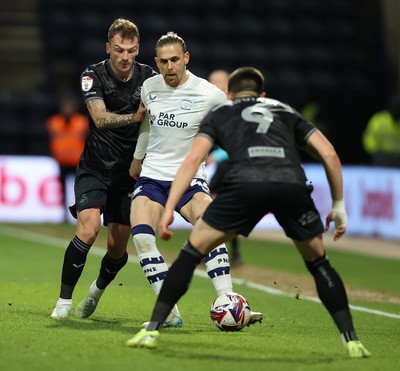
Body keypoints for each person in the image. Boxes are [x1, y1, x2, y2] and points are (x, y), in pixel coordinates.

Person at [127, 66, 371, 359]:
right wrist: (339, 205)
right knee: (319, 263)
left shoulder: (223, 112)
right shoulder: (284, 110)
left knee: (193, 251)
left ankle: (153, 328)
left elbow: (193, 159)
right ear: (263, 94)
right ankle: (352, 341)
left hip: (246, 184)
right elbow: (329, 154)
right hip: (290, 183)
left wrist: (169, 209)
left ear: (229, 94)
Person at [128, 33, 263, 328]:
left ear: (186, 58)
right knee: (141, 238)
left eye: (175, 59)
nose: (169, 67)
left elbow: (235, 125)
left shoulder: (209, 93)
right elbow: (147, 124)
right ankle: (170, 314)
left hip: (189, 180)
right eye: (163, 62)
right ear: (156, 63)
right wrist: (138, 159)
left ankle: (228, 299)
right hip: (152, 176)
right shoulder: (149, 87)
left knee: (210, 228)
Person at [50, 18, 156, 320]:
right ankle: (63, 302)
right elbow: (99, 118)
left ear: (138, 50)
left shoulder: (149, 78)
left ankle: (96, 290)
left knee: (117, 247)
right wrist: (133, 119)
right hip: (94, 167)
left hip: (128, 173)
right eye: (119, 50)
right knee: (88, 228)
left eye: (131, 50)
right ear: (108, 48)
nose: (125, 57)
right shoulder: (92, 75)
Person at [207, 69, 242, 267]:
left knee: (216, 203)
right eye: (212, 82)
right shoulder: (213, 106)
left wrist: (215, 155)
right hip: (226, 163)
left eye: (218, 81)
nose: (214, 85)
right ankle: (228, 252)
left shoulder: (233, 108)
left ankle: (217, 251)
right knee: (217, 205)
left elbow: (238, 142)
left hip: (233, 163)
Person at [46, 93, 88, 221]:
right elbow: (50, 141)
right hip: (62, 161)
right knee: (62, 189)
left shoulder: (82, 121)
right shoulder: (54, 122)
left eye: (70, 107)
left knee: (80, 190)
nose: (67, 109)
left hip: (77, 161)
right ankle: (64, 215)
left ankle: (80, 214)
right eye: (65, 107)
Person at [362, 95, 400, 167]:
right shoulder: (379, 120)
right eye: (396, 108)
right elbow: (369, 137)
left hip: (398, 156)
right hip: (383, 155)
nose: (397, 111)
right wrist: (374, 150)